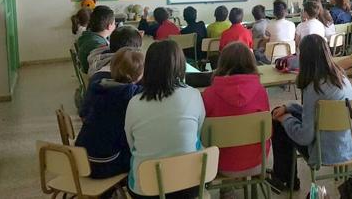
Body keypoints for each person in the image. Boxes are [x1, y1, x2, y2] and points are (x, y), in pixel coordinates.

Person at [269, 34, 352, 191]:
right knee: (285, 115)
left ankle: (285, 180)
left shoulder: (314, 87)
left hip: (325, 151)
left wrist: (286, 119)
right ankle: (283, 178)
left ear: (304, 58)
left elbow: (306, 137)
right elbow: (315, 113)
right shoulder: (341, 77)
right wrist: (290, 108)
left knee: (278, 122)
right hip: (351, 145)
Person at [125, 40, 205, 198]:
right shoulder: (193, 94)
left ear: (147, 67)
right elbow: (197, 133)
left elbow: (132, 143)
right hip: (190, 184)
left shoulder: (135, 102)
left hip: (146, 189)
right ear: (181, 65)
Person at [202, 42, 270, 181]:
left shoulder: (209, 94)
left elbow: (203, 133)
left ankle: (226, 191)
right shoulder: (260, 91)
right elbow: (268, 128)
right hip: (257, 161)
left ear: (222, 63)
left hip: (219, 164)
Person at [75, 48, 144, 179]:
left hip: (81, 158)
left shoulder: (98, 86)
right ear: (140, 74)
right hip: (105, 164)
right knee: (142, 155)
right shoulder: (130, 94)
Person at [77, 5, 116, 73]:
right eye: (114, 23)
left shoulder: (87, 36)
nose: (115, 26)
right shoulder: (98, 44)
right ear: (109, 26)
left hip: (87, 71)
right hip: (92, 75)